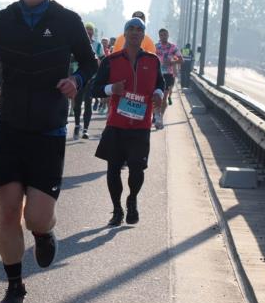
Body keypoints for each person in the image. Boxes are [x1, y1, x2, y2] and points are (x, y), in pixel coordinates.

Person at [0, 0, 97, 303]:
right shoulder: (1, 21)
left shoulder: (67, 20)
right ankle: (14, 287)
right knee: (8, 213)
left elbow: (91, 63)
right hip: (8, 128)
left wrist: (76, 81)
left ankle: (44, 232)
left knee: (35, 216)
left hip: (48, 130)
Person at [92, 17, 165, 226]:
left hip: (141, 126)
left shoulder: (152, 60)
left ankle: (132, 200)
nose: (135, 32)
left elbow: (160, 84)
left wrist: (158, 93)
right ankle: (117, 209)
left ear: (143, 35)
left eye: (139, 29)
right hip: (116, 124)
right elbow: (94, 89)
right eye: (131, 29)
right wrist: (111, 89)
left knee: (137, 168)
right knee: (113, 168)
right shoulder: (111, 60)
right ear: (125, 34)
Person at [70, 21, 105, 139]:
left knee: (88, 103)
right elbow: (71, 58)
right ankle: (77, 125)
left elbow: (103, 59)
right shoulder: (77, 42)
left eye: (91, 30)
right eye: (87, 30)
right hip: (78, 77)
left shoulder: (98, 45)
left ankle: (85, 129)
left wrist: (98, 66)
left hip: (92, 78)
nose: (89, 32)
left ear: (93, 32)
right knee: (77, 103)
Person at [154, 27, 182, 128]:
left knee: (164, 97)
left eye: (165, 35)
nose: (163, 37)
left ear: (168, 35)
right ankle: (156, 115)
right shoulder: (155, 47)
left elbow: (181, 60)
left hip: (168, 75)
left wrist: (172, 62)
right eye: (161, 35)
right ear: (159, 36)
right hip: (157, 74)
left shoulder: (173, 47)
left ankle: (160, 117)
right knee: (156, 96)